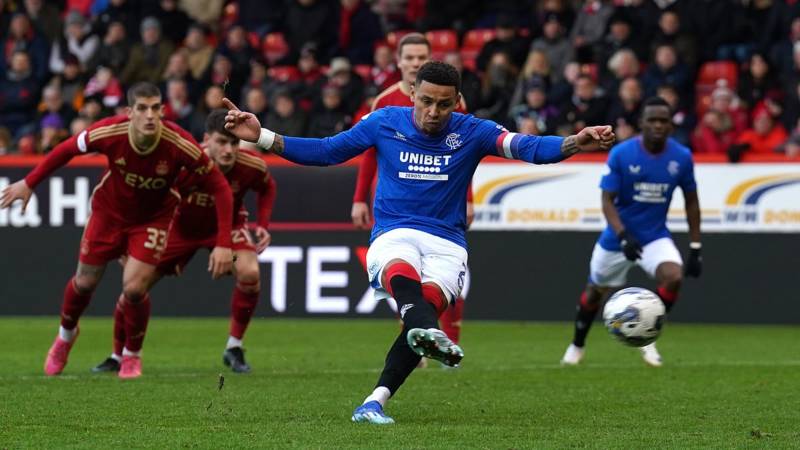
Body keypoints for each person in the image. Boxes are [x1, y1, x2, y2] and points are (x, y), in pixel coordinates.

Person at [222, 61, 614, 424]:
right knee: (405, 276)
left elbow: (528, 148)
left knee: (420, 318)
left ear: (455, 103)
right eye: (426, 101)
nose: (433, 112)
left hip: (448, 243)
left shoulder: (473, 131)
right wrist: (263, 137)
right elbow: (327, 151)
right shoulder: (383, 122)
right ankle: (429, 332)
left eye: (443, 105)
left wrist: (575, 142)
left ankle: (374, 401)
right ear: (412, 93)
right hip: (395, 232)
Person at [0, 82, 234, 379]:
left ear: (162, 111)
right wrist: (29, 182)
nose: (150, 115)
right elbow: (66, 149)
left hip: (152, 219)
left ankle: (131, 355)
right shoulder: (109, 132)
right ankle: (65, 337)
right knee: (84, 283)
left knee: (134, 288)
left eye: (155, 108)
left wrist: (224, 242)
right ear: (129, 112)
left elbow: (220, 188)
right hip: (108, 214)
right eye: (142, 108)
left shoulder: (179, 143)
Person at [92, 109, 277, 374]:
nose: (228, 150)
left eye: (234, 143)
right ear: (206, 140)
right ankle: (117, 354)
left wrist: (264, 224)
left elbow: (268, 187)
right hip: (176, 230)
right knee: (133, 288)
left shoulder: (251, 166)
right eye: (221, 142)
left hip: (226, 232)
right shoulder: (185, 161)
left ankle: (234, 346)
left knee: (249, 272)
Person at [350, 33, 469, 359]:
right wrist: (360, 197)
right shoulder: (385, 102)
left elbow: (465, 155)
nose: (415, 62)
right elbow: (369, 152)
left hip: (441, 204)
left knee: (446, 272)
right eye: (410, 58)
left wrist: (467, 198)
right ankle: (418, 337)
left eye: (421, 57)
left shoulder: (449, 100)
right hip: (395, 204)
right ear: (399, 62)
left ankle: (448, 334)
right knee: (403, 274)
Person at [560, 96, 702, 369]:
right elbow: (607, 200)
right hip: (617, 238)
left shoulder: (681, 157)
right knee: (593, 293)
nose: (658, 125)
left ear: (671, 125)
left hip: (654, 236)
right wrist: (623, 234)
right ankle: (577, 344)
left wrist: (696, 247)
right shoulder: (622, 154)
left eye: (664, 121)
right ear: (641, 123)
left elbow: (692, 201)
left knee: (673, 277)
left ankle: (647, 334)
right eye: (652, 120)